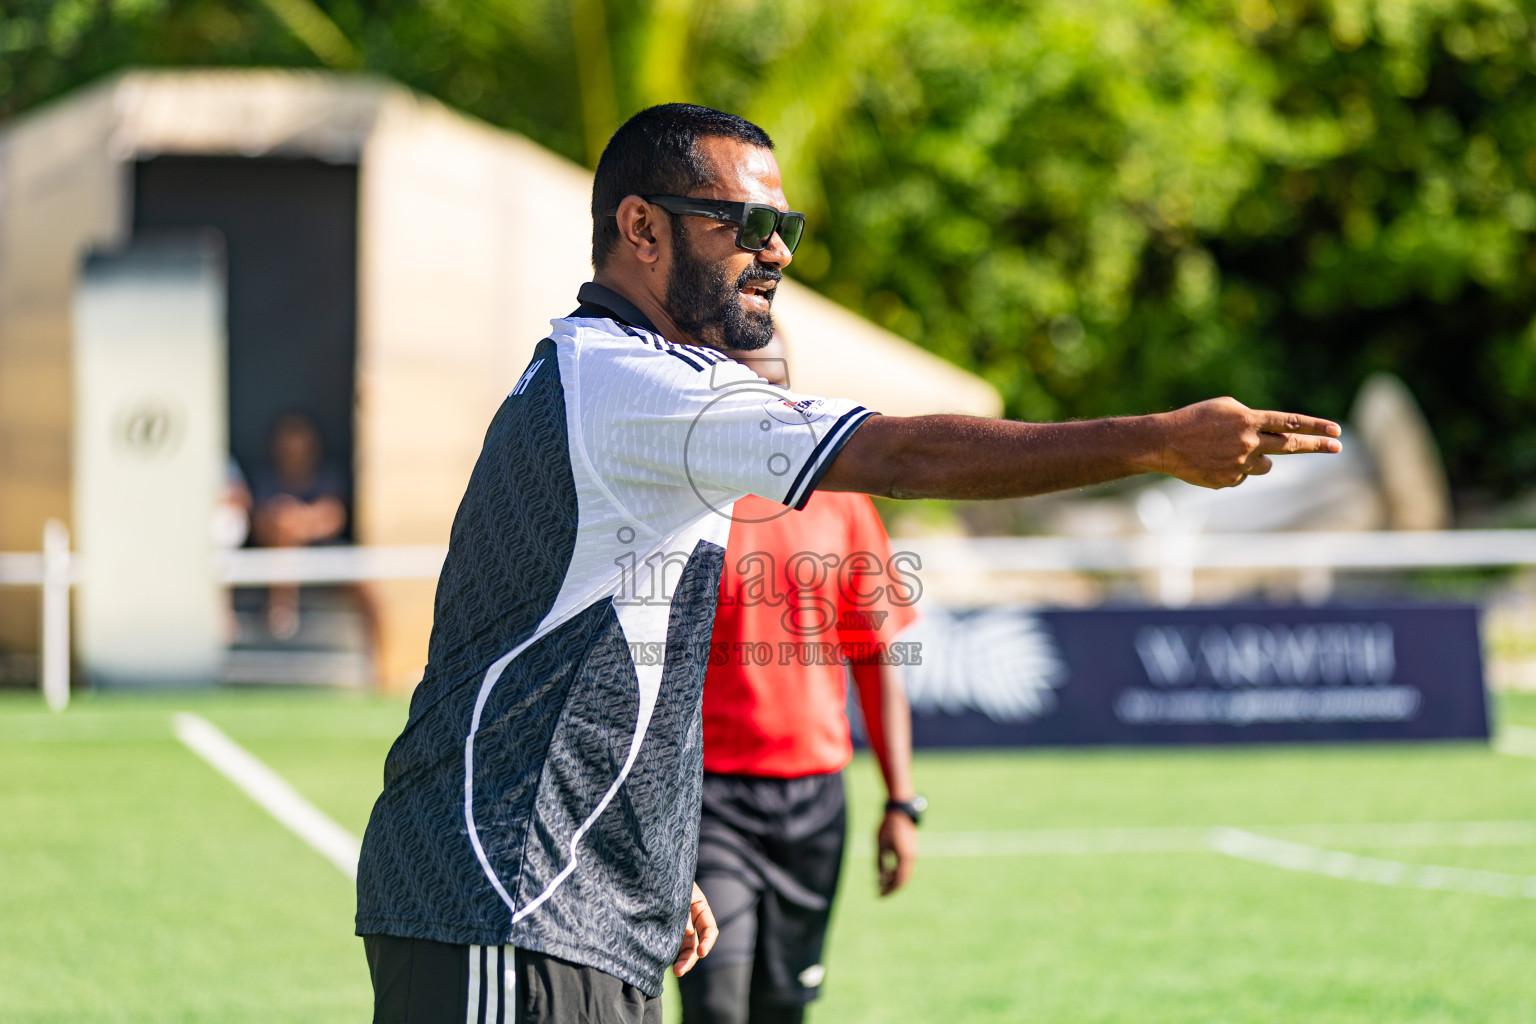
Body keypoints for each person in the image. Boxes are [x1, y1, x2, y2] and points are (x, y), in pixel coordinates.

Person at [355, 102, 1341, 1024]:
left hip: (568, 899)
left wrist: (648, 855)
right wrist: (1157, 441)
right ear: (642, 229)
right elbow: (905, 456)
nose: (774, 248)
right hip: (501, 896)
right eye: (740, 221)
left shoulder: (619, 378)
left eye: (784, 222)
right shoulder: (628, 382)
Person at [679, 334, 920, 1024]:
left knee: (783, 1009)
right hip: (708, 798)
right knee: (717, 1005)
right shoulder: (681, 500)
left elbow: (876, 659)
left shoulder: (842, 502)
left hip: (816, 803)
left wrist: (902, 802)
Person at [250, 412, 348, 639]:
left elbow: (334, 517)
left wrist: (299, 519)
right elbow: (260, 523)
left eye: (301, 449)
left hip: (326, 555)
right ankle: (282, 607)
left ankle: (382, 670)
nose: (295, 456)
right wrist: (293, 521)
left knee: (370, 589)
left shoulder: (328, 476)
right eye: (289, 450)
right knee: (285, 528)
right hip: (274, 552)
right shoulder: (266, 478)